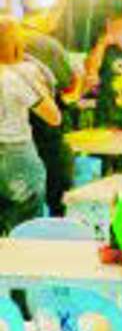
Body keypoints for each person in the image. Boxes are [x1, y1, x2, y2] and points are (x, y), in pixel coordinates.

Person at [19, 0, 80, 216]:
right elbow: (66, 91)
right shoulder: (46, 46)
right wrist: (80, 81)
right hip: (44, 137)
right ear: (48, 12)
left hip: (11, 139)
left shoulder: (9, 37)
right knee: (59, 201)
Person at [0, 16, 61, 234]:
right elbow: (53, 117)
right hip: (15, 153)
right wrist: (37, 83)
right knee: (24, 225)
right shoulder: (15, 77)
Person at [84, 13, 122, 129]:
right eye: (113, 27)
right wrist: (102, 44)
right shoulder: (103, 49)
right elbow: (91, 69)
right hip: (107, 116)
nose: (118, 31)